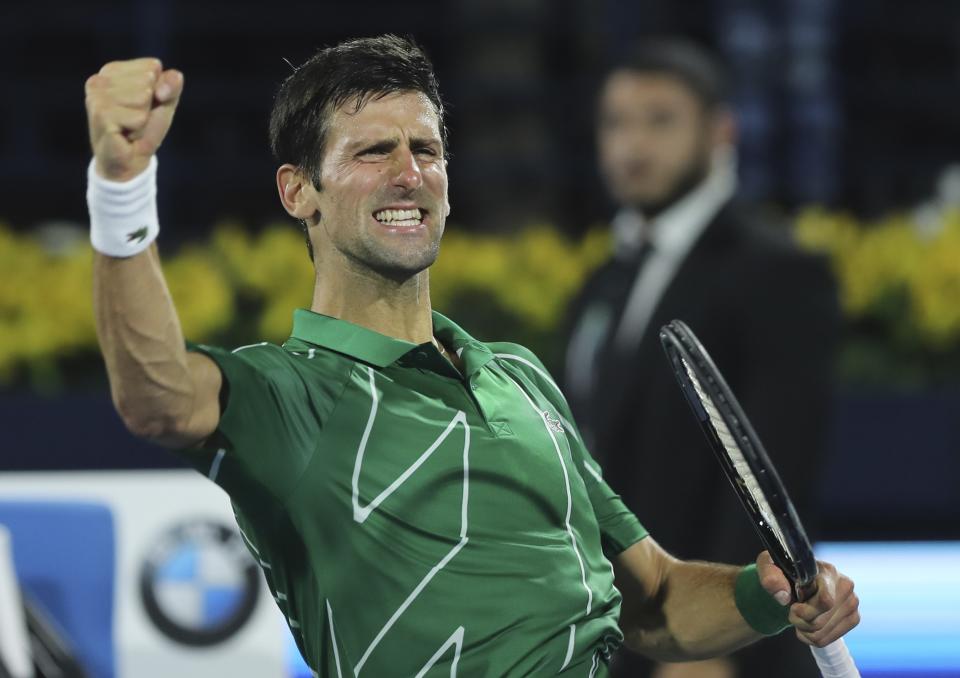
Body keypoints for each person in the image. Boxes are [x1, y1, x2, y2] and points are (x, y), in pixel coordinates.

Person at [85, 35, 856, 677]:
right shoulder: (286, 394)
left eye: (426, 148)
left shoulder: (519, 377)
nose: (408, 173)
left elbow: (651, 597)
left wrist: (763, 597)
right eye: (372, 152)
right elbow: (157, 396)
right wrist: (122, 187)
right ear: (299, 193)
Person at [564, 39, 840, 678]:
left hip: (720, 648)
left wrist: (719, 646)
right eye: (616, 123)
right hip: (616, 637)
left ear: (720, 131)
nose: (633, 145)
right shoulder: (602, 278)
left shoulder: (778, 270)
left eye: (660, 120)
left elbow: (775, 473)